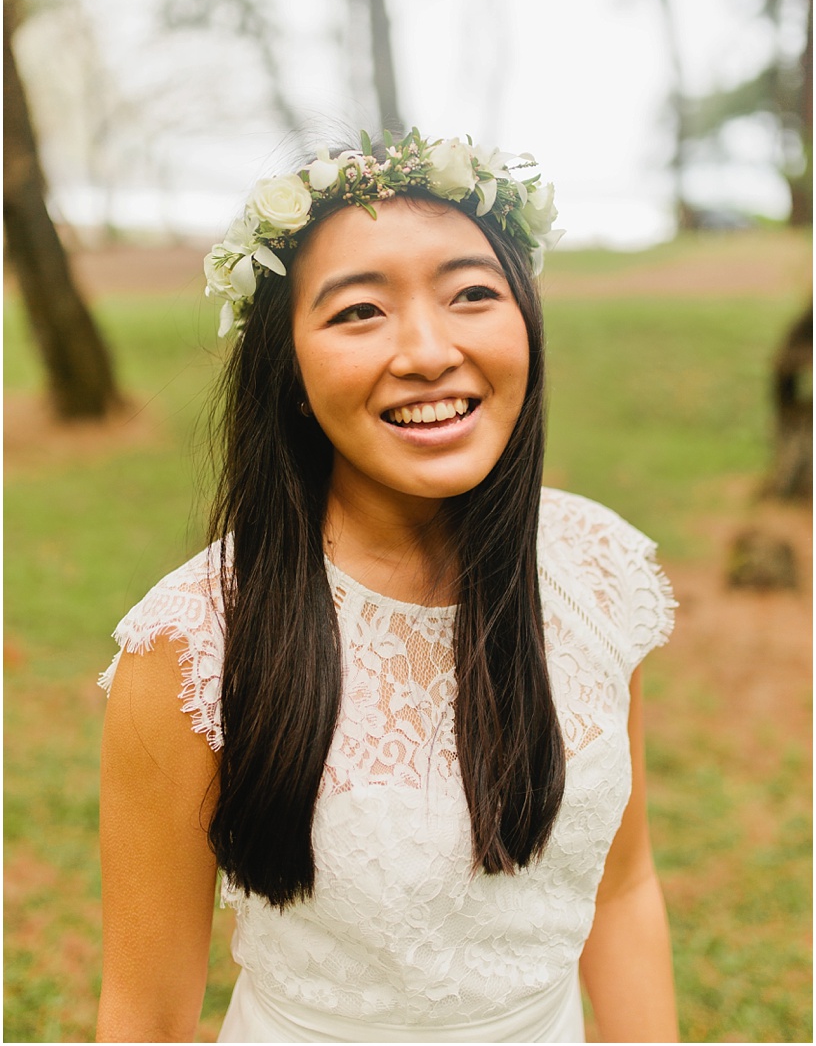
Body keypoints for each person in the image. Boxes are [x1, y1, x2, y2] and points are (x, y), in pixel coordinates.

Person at [97, 130, 678, 1043]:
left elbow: (625, 884)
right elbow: (146, 1015)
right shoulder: (190, 648)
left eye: (472, 294)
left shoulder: (598, 570)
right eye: (360, 311)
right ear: (285, 368)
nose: (428, 349)